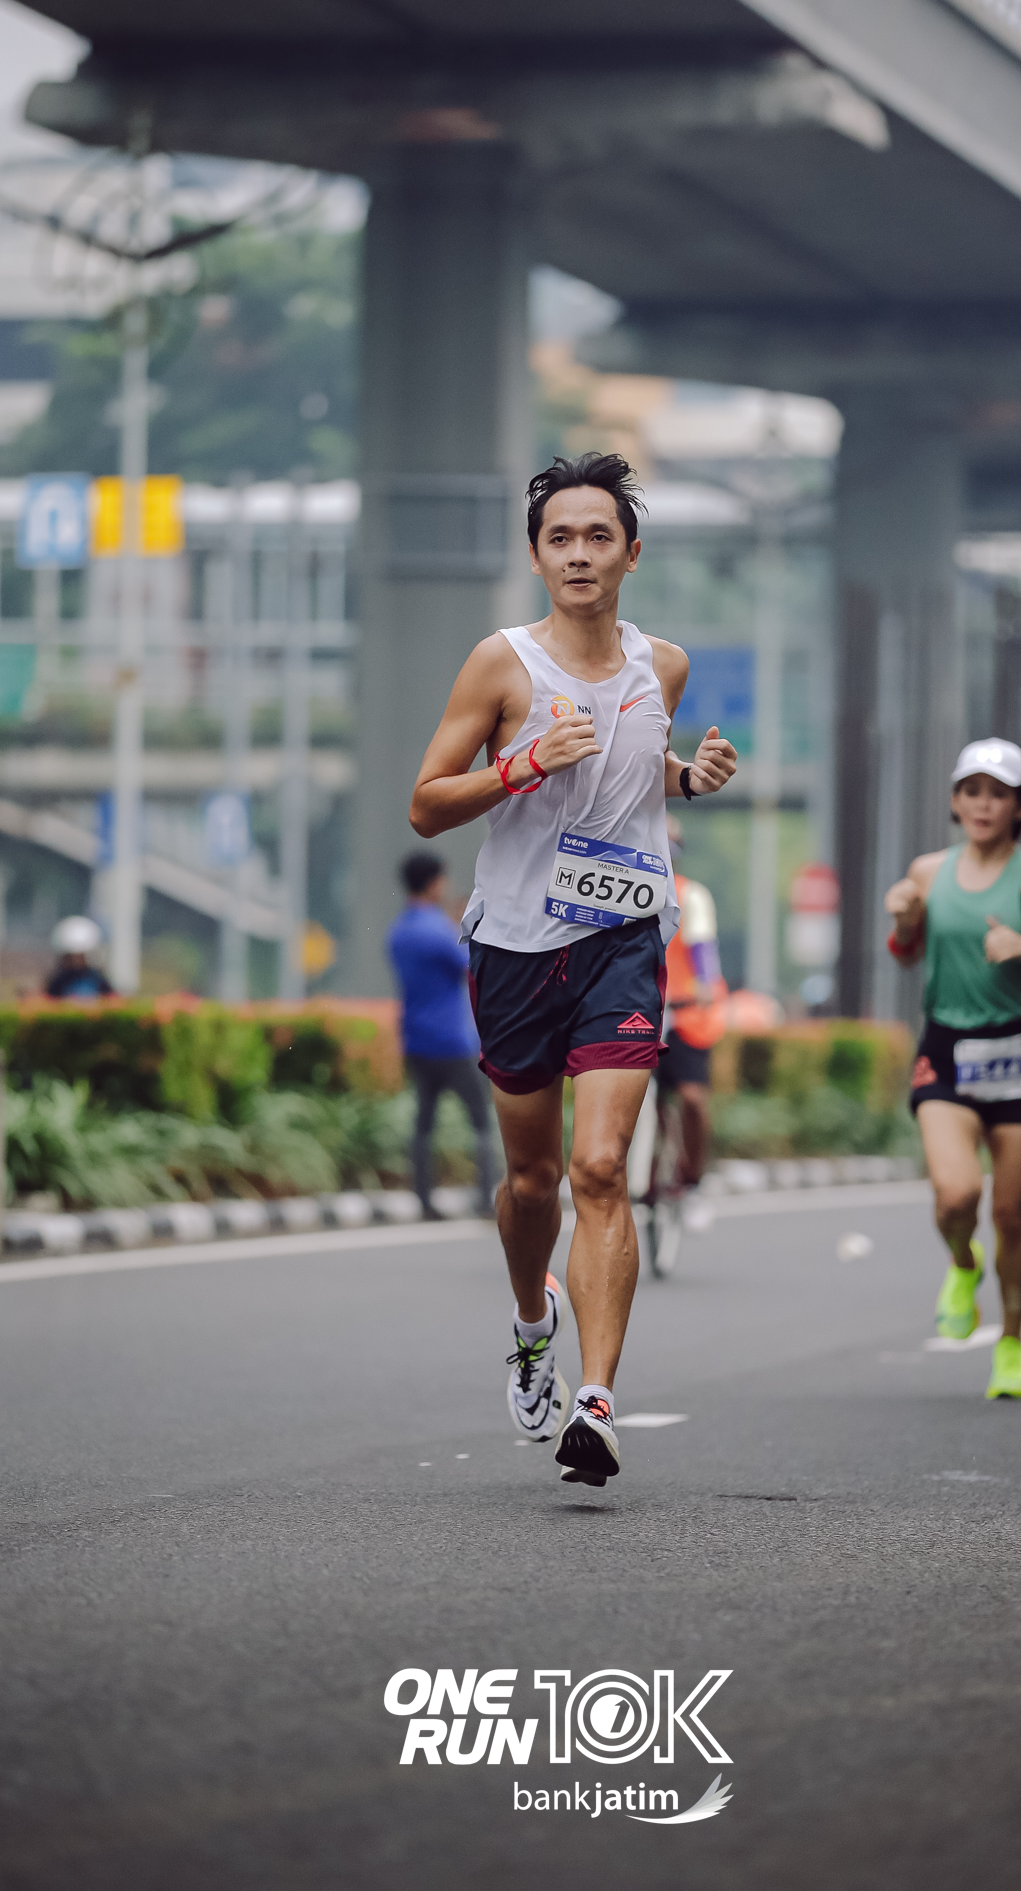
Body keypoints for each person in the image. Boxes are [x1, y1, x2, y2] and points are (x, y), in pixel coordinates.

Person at [408, 451, 737, 1486]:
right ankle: (529, 1318)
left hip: (623, 941)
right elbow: (425, 804)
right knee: (533, 1181)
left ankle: (594, 1401)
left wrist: (688, 779)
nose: (580, 553)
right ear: (536, 557)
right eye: (561, 538)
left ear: (632, 555)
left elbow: (632, 780)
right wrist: (518, 766)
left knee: (600, 1168)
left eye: (599, 536)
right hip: (514, 945)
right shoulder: (500, 665)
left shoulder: (663, 667)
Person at [885, 738, 1021, 1400]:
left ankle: (1012, 1341)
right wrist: (905, 923)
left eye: (998, 794)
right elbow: (905, 954)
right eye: (972, 791)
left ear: (1020, 806)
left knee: (1010, 1214)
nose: (983, 805)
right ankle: (961, 1261)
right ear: (955, 800)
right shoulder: (926, 872)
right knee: (955, 1197)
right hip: (947, 1051)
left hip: (1017, 1058)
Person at [386, 852, 496, 1222]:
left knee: (423, 1123)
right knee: (481, 1121)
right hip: (453, 1040)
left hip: (416, 1038)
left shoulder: (399, 930)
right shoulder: (437, 930)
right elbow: (471, 965)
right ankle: (486, 1198)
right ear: (434, 882)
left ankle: (424, 1200)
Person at [648, 814, 726, 1233]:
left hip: (686, 1011)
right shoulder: (623, 889)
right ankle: (646, 1167)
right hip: (639, 1009)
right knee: (641, 1101)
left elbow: (702, 952)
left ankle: (694, 1179)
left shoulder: (690, 896)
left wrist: (706, 984)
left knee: (692, 1097)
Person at [44, 917, 114, 1000]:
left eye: (79, 956)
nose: (75, 960)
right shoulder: (58, 981)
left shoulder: (97, 979)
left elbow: (110, 999)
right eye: (72, 956)